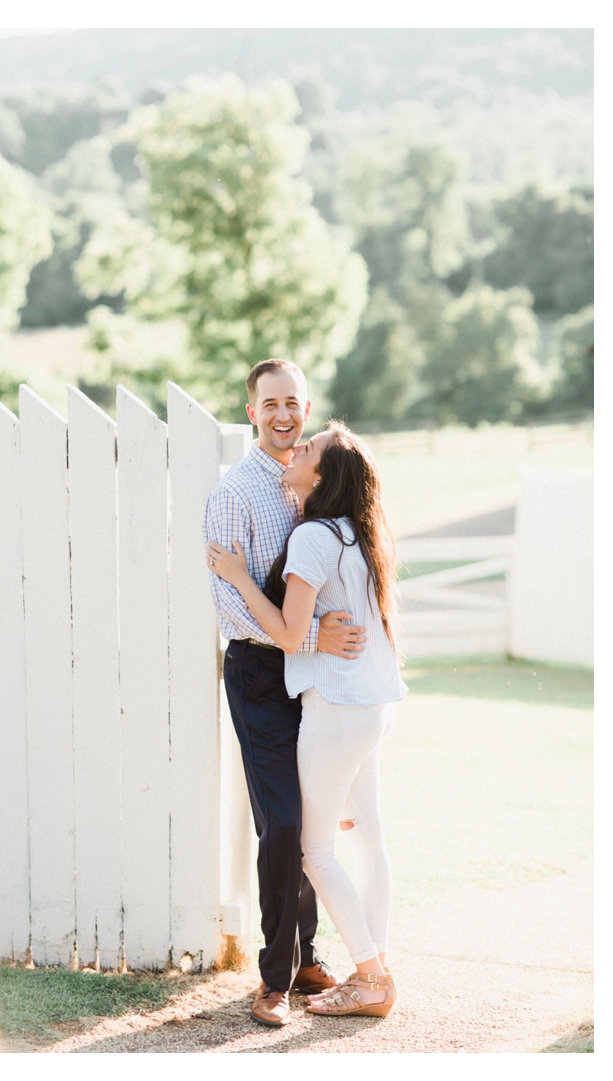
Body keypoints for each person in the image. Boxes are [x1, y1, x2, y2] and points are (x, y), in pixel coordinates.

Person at [208, 420, 406, 1019]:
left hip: (336, 712)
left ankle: (371, 976)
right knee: (367, 838)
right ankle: (373, 961)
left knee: (315, 852)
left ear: (322, 476)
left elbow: (292, 635)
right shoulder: (359, 533)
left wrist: (239, 577)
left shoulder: (314, 538)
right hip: (373, 708)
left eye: (311, 449)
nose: (297, 448)